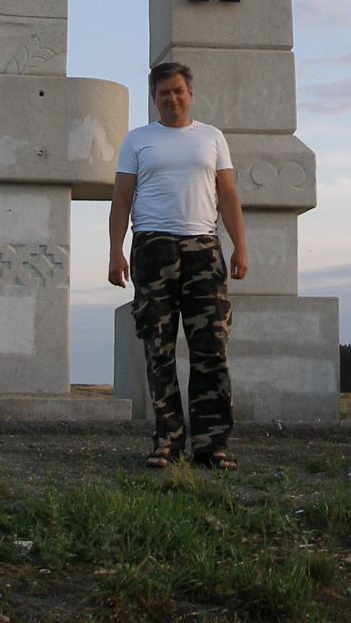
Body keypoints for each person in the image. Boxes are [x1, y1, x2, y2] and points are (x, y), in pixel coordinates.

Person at [108, 61, 248, 470]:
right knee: (159, 349)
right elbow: (121, 199)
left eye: (178, 91)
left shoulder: (212, 138)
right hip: (153, 248)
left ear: (190, 94)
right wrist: (116, 251)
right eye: (164, 92)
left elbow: (228, 196)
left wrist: (240, 247)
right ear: (154, 98)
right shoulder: (138, 140)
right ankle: (166, 441)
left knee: (211, 349)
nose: (172, 98)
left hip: (203, 248)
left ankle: (212, 445)